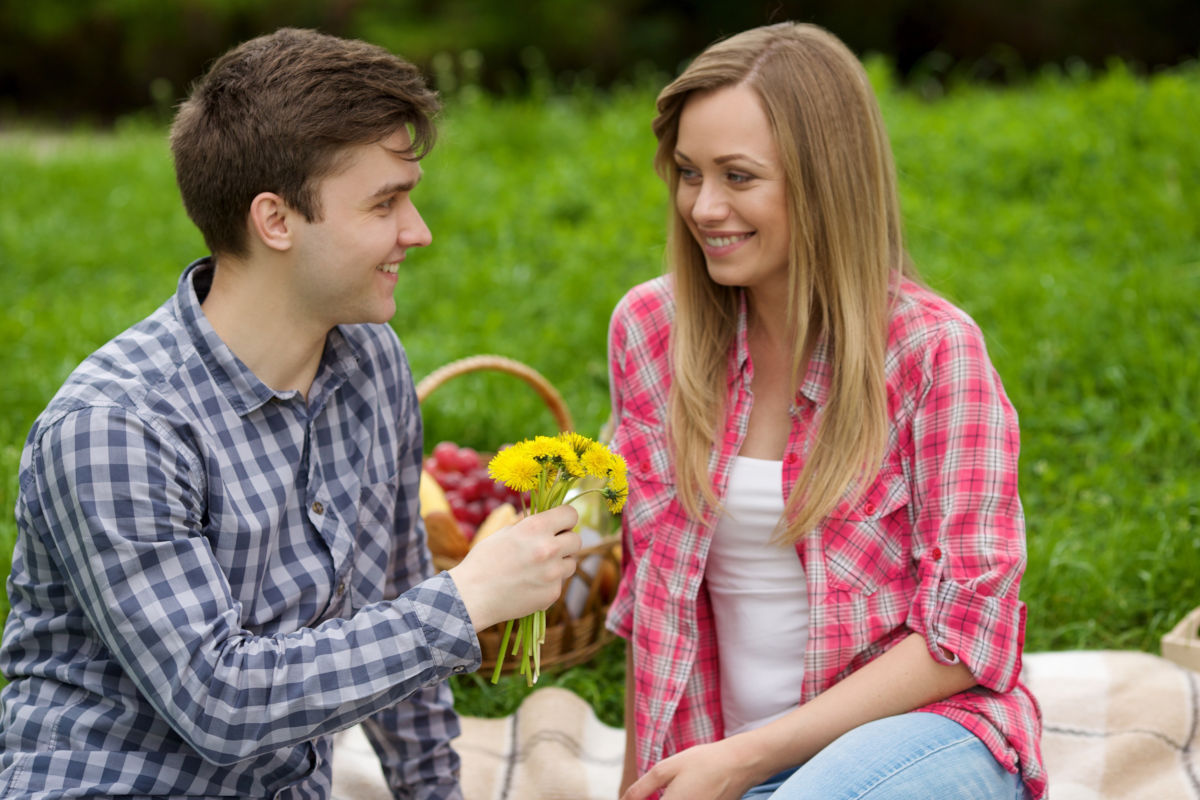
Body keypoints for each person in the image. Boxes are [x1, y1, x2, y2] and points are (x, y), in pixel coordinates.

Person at [0, 28, 581, 800]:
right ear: (275, 221)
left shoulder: (371, 365)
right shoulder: (117, 428)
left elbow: (397, 618)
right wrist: (468, 598)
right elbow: (219, 700)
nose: (418, 231)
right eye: (385, 203)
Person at [606, 22, 1045, 800]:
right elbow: (658, 606)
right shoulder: (651, 331)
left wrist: (746, 758)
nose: (704, 207)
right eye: (687, 172)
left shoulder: (933, 354)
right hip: (725, 765)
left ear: (824, 179)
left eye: (738, 177)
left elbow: (964, 635)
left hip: (925, 739)